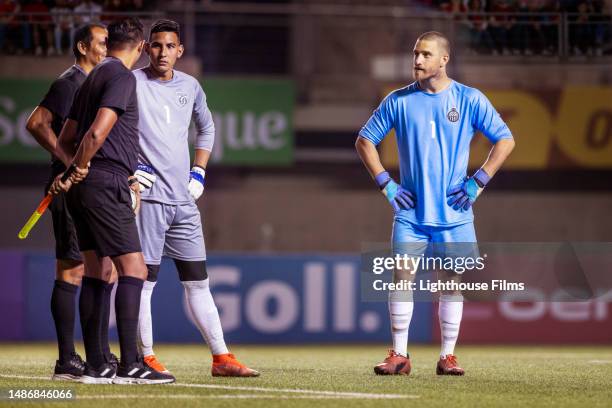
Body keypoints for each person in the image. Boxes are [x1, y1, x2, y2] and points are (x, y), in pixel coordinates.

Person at [355, 31, 515, 376]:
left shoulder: (469, 99)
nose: (417, 61)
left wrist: (478, 182)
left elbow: (505, 140)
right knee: (401, 279)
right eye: (415, 54)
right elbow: (365, 141)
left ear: (444, 59)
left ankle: (447, 357)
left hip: (455, 213)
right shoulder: (398, 100)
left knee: (451, 283)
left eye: (426, 54)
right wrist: (386, 185)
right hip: (410, 213)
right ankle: (399, 354)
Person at [133, 19, 259, 378]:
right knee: (145, 283)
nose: (162, 52)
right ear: (146, 48)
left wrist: (199, 171)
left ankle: (221, 358)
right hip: (149, 201)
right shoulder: (132, 83)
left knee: (198, 281)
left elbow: (207, 127)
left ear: (179, 51)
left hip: (184, 202)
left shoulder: (190, 85)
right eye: (156, 45)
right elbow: (112, 125)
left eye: (169, 46)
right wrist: (132, 166)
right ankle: (146, 356)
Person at [52, 17, 174, 385]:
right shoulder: (122, 77)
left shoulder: (91, 78)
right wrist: (81, 167)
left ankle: (96, 366)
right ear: (139, 48)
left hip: (86, 187)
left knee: (96, 270)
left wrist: (73, 171)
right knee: (133, 270)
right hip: (106, 184)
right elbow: (96, 131)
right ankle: (131, 365)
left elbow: (66, 136)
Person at [26, 23, 116, 382]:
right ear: (82, 46)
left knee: (104, 267)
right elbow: (36, 123)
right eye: (102, 42)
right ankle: (67, 359)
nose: (108, 47)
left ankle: (99, 353)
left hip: (89, 186)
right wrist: (69, 162)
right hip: (68, 186)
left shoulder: (96, 82)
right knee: (72, 269)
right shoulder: (70, 82)